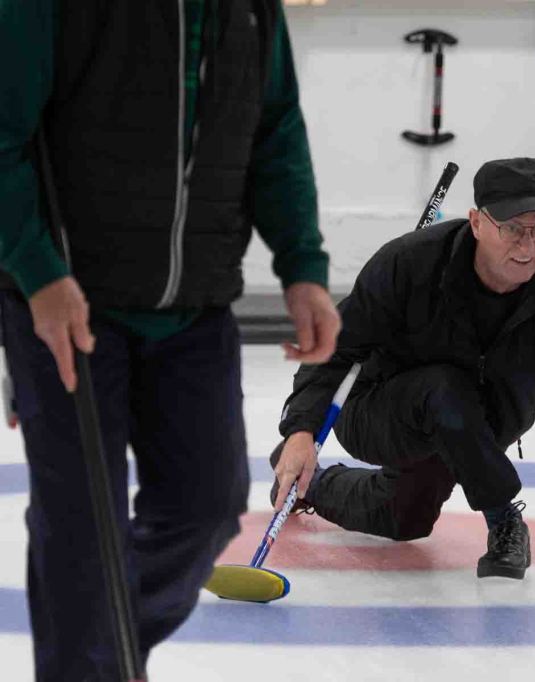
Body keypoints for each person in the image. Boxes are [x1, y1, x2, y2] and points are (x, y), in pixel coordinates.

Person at [0, 2, 340, 679]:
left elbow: (275, 128)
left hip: (195, 305)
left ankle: (100, 649)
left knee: (207, 506)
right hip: (69, 303)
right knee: (81, 523)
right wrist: (37, 274)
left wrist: (303, 265)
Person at [271, 157, 535, 580]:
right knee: (443, 389)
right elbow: (334, 348)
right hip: (379, 409)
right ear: (477, 222)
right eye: (513, 229)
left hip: (476, 425)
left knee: (405, 520)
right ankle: (504, 519)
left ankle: (313, 484)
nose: (528, 247)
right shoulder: (409, 263)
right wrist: (301, 430)